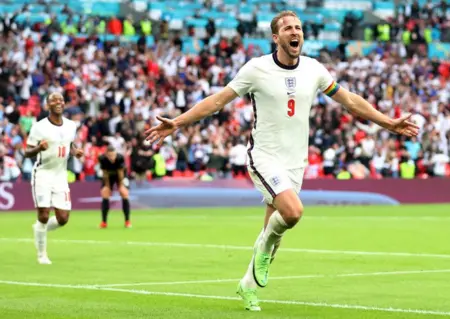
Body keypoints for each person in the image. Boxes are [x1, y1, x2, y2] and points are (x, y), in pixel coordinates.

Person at [145, 11, 419, 312]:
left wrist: (388, 123)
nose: (295, 32)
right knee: (293, 212)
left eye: (299, 27)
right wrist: (178, 122)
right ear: (276, 37)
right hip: (264, 156)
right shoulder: (257, 69)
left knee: (274, 239)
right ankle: (260, 249)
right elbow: (218, 101)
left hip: (294, 161)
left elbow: (350, 100)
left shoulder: (314, 69)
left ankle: (247, 286)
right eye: (288, 28)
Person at [25, 92, 83, 265]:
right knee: (43, 215)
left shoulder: (71, 125)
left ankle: (39, 229)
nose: (58, 102)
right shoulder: (39, 127)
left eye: (61, 100)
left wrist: (75, 151)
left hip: (60, 175)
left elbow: (69, 143)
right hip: (43, 173)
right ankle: (42, 255)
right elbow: (27, 152)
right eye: (54, 100)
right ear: (47, 105)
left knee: (63, 219)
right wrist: (38, 149)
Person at [98, 145, 131, 229]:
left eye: (113, 155)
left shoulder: (120, 158)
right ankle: (104, 222)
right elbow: (105, 173)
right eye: (110, 156)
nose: (112, 157)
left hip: (121, 176)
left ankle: (127, 221)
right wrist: (107, 186)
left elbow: (120, 173)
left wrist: (121, 185)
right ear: (106, 154)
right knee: (105, 193)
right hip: (109, 177)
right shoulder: (102, 159)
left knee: (124, 193)